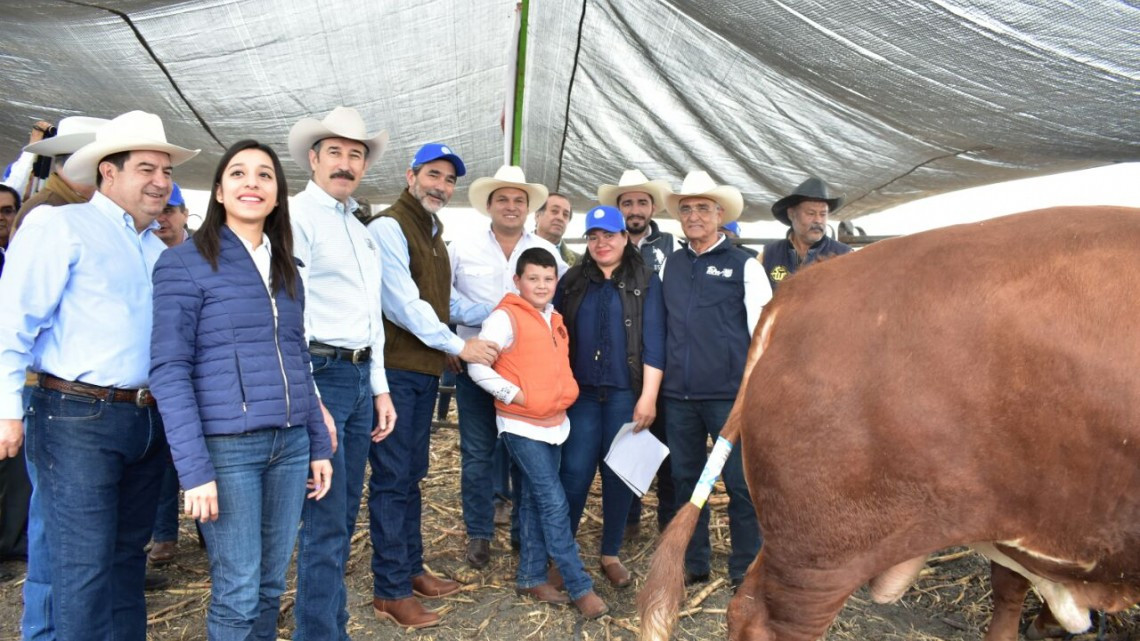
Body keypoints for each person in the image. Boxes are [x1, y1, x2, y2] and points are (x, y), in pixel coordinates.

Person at [0, 110, 198, 640]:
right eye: (146, 168)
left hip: (144, 419)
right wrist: (7, 411)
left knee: (125, 560)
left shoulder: (162, 252)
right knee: (82, 566)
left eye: (166, 170)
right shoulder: (59, 223)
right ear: (107, 172)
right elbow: (13, 321)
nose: (160, 180)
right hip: (75, 415)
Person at [149, 139, 333, 638]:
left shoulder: (287, 268)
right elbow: (168, 370)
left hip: (291, 446)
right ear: (219, 192)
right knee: (237, 592)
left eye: (264, 176)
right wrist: (194, 471)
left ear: (278, 196)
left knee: (272, 587)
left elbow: (298, 359)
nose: (252, 182)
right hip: (228, 451)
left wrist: (317, 442)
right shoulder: (183, 263)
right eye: (238, 173)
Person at [363, 143, 499, 628]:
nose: (442, 186)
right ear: (411, 175)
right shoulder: (388, 228)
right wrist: (460, 347)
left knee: (411, 474)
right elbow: (403, 304)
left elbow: (445, 303)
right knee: (393, 477)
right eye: (434, 175)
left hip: (422, 373)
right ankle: (390, 589)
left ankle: (410, 568)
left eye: (449, 180)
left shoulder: (433, 232)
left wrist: (506, 309)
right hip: (398, 372)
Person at [286, 106, 397, 641]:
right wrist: (310, 398)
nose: (346, 163)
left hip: (355, 376)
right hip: (322, 372)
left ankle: (330, 626)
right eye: (335, 152)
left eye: (356, 155)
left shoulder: (359, 228)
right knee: (326, 518)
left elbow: (370, 314)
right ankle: (318, 632)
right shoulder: (295, 217)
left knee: (342, 512)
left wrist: (379, 387)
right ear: (313, 158)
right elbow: (291, 312)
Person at [468, 247, 608, 618]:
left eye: (548, 278)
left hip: (555, 424)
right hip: (520, 425)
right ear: (518, 281)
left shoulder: (554, 319)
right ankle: (579, 585)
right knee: (553, 500)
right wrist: (516, 395)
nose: (541, 285)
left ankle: (530, 575)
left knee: (531, 499)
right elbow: (478, 368)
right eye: (533, 278)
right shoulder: (504, 318)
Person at [448, 165, 566, 570]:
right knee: (478, 453)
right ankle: (480, 533)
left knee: (524, 453)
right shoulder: (462, 246)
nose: (511, 206)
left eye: (519, 200)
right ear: (489, 205)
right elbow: (442, 299)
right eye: (503, 199)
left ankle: (521, 532)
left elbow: (555, 304)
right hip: (477, 360)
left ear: (528, 206)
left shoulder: (548, 252)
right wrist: (465, 336)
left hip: (526, 369)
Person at [660, 170, 771, 590]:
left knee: (740, 485)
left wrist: (751, 394)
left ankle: (745, 566)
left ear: (720, 214)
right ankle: (695, 562)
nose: (694, 216)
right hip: (679, 397)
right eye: (686, 209)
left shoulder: (744, 265)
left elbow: (762, 336)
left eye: (703, 208)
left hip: (729, 397)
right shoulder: (672, 263)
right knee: (686, 480)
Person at [554, 205, 665, 588]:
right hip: (581, 394)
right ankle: (562, 551)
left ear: (624, 238)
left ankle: (610, 552)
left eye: (610, 235)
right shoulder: (570, 281)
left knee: (619, 474)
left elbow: (654, 342)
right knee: (574, 472)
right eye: (593, 236)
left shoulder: (647, 280)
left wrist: (648, 397)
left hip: (624, 393)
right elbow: (556, 337)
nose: (602, 243)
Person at [597, 169, 677, 533]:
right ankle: (628, 518)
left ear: (652, 208)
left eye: (641, 201)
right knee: (628, 439)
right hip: (626, 363)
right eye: (627, 202)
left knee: (664, 444)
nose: (635, 208)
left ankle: (667, 519)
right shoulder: (607, 246)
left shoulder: (670, 246)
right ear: (618, 208)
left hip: (664, 358)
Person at [760, 177, 852, 291]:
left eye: (823, 214)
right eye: (811, 213)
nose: (818, 220)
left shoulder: (844, 255)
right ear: (791, 214)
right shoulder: (768, 254)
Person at [533, 193, 578, 266]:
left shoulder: (578, 262)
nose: (560, 218)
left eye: (565, 214)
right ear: (537, 216)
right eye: (554, 211)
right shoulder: (514, 249)